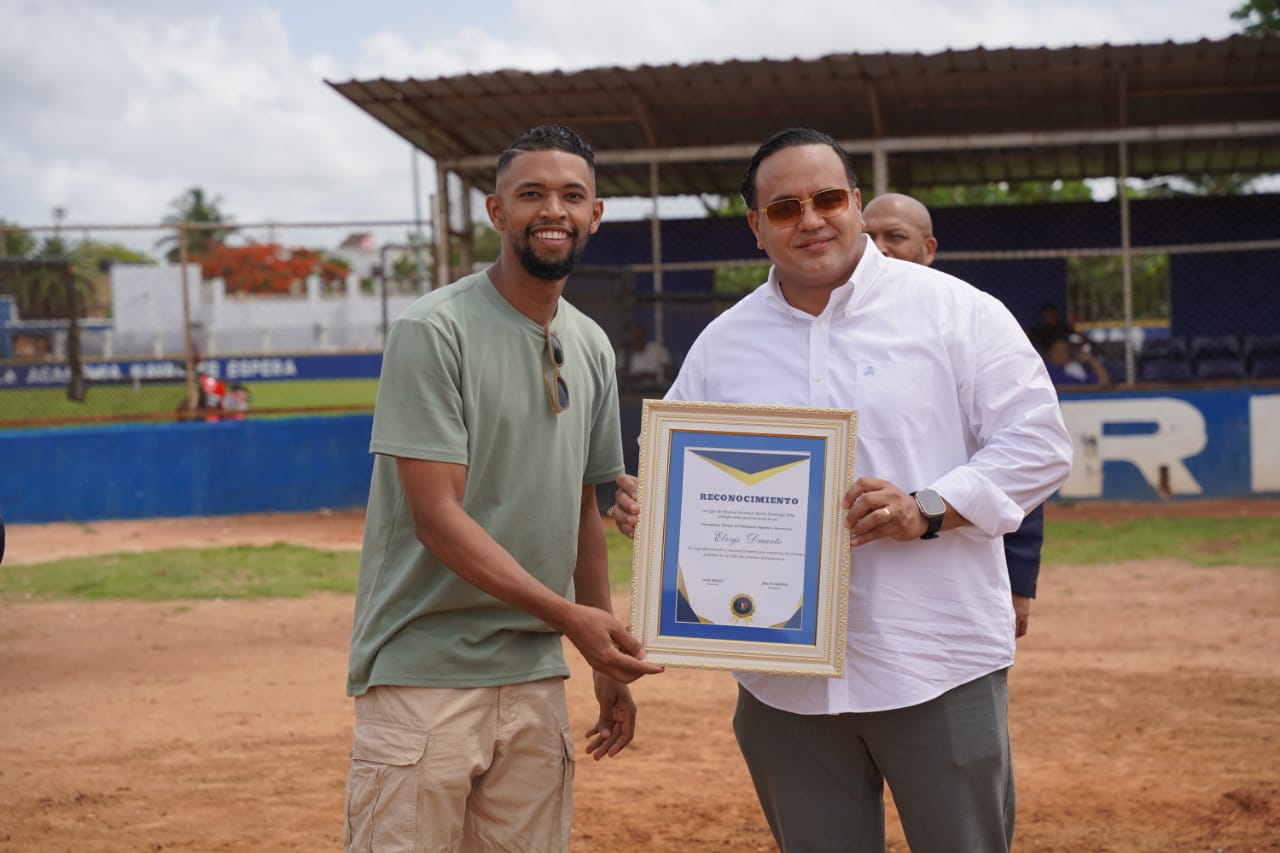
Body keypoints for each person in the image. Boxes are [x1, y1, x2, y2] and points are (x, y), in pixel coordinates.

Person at [610, 128, 1072, 852]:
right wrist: (654, 503)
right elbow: (683, 472)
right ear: (757, 226)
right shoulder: (724, 342)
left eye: (828, 198)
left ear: (856, 203)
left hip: (934, 662)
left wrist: (926, 507)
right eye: (786, 206)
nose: (811, 219)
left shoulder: (958, 312)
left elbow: (1039, 443)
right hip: (783, 684)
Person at [343, 125, 663, 853]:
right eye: (531, 194)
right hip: (425, 672)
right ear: (496, 212)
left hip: (533, 674)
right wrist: (571, 619)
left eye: (571, 195)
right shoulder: (434, 329)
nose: (553, 209)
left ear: (595, 214)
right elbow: (436, 518)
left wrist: (602, 654)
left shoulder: (589, 343)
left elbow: (587, 507)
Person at [862, 191, 1045, 637]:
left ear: (928, 249)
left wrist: (1018, 580)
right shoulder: (829, 328)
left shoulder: (971, 323)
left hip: (949, 587)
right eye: (868, 236)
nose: (880, 247)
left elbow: (1021, 460)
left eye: (895, 236)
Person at [1045, 333, 1112, 387]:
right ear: (1049, 353)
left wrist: (1090, 359)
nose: (1061, 354)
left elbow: (1105, 383)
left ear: (1070, 353)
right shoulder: (1046, 371)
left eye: (1064, 351)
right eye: (1057, 351)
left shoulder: (1076, 368)